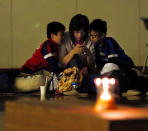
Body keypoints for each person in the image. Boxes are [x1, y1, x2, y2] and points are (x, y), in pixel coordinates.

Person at [88, 19, 144, 95]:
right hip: (110, 70)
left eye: (95, 36)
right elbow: (100, 64)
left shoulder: (110, 42)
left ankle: (133, 82)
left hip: (124, 68)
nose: (92, 38)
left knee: (117, 78)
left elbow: (112, 63)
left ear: (103, 35)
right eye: (90, 35)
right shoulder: (96, 46)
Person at [14, 22, 65, 92]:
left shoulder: (55, 46)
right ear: (53, 36)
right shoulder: (47, 45)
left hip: (38, 72)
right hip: (27, 73)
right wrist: (63, 74)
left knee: (47, 78)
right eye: (61, 35)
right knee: (41, 80)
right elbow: (52, 63)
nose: (63, 37)